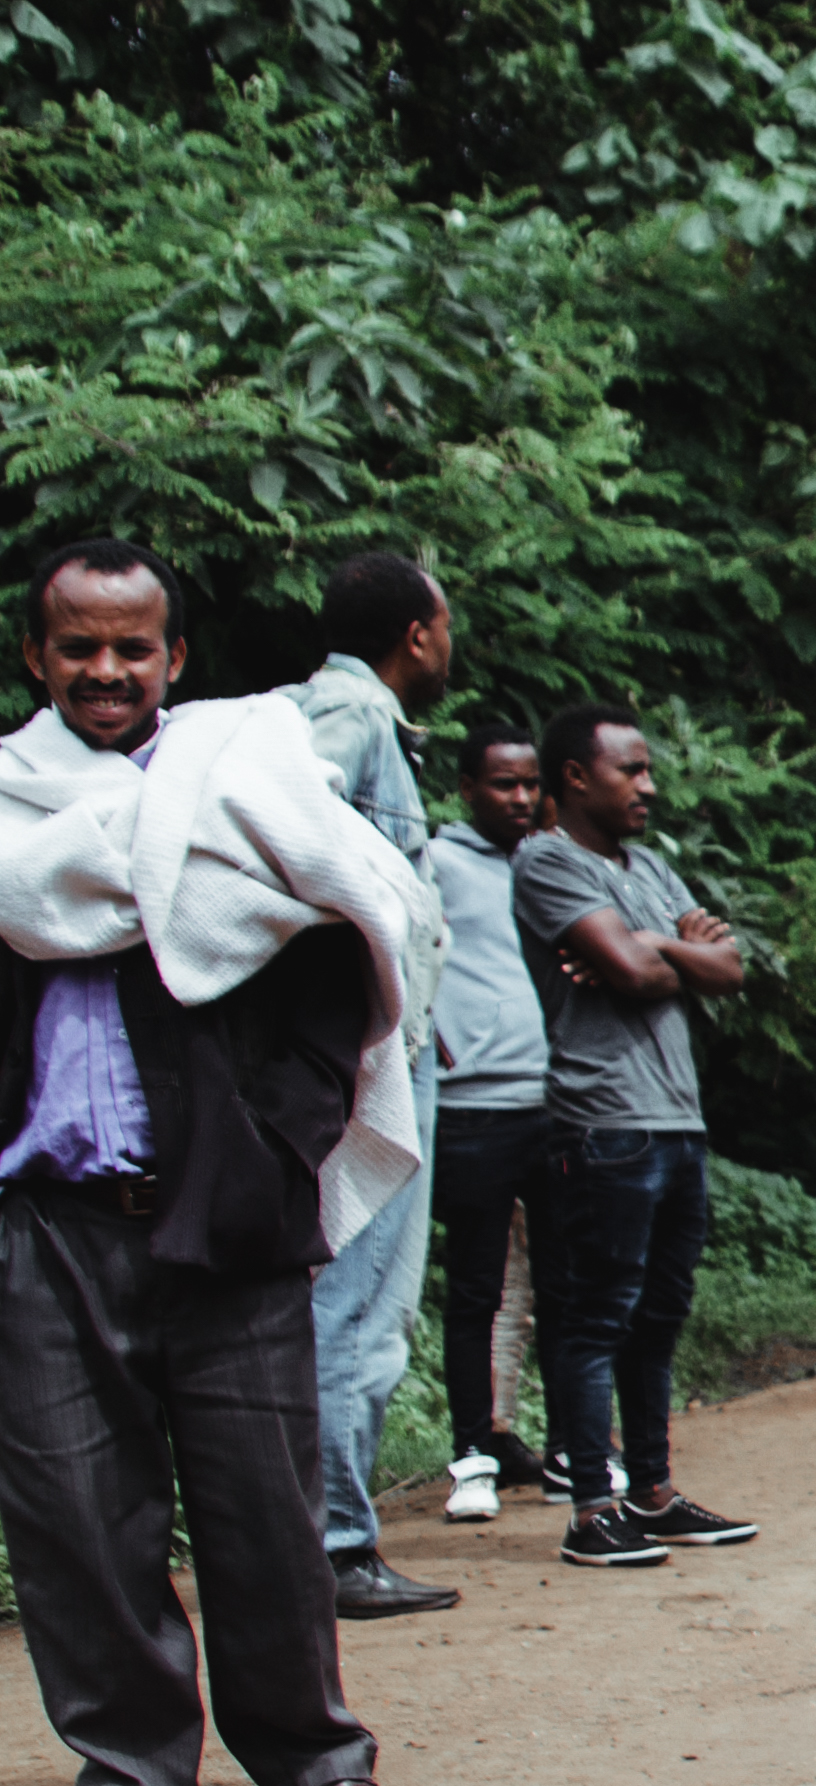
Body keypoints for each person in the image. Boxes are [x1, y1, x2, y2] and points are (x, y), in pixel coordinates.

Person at [0, 538, 417, 1786]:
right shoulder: (9, 810)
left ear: (175, 657)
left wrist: (284, 1146)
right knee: (73, 1518)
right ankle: (130, 1782)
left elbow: (350, 949)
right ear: (36, 656)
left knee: (265, 1514)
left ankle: (316, 1764)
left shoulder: (243, 790)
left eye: (133, 646)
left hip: (228, 1216)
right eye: (79, 645)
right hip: (45, 1222)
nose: (106, 668)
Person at [515, 704, 758, 1571]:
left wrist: (652, 942)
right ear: (577, 777)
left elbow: (727, 968)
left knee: (658, 1316)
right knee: (597, 1317)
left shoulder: (649, 865)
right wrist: (661, 953)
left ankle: (652, 1493)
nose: (649, 785)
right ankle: (592, 1507)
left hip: (677, 1120)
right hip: (605, 1120)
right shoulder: (546, 860)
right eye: (632, 769)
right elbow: (628, 972)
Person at [289, 551, 461, 1617]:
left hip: (391, 1045)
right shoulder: (348, 717)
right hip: (367, 1061)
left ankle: (326, 1538)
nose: (450, 646)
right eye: (446, 627)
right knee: (359, 1306)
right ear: (416, 635)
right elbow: (288, 829)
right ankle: (335, 1547)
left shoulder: (367, 723)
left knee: (357, 1304)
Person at [429, 723, 558, 1519]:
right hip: (472, 1105)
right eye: (503, 783)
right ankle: (473, 1451)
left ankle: (570, 1446)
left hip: (555, 1099)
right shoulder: (435, 862)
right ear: (468, 788)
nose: (519, 797)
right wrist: (438, 1041)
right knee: (475, 1285)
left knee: (564, 1281)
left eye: (530, 783)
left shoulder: (549, 863)